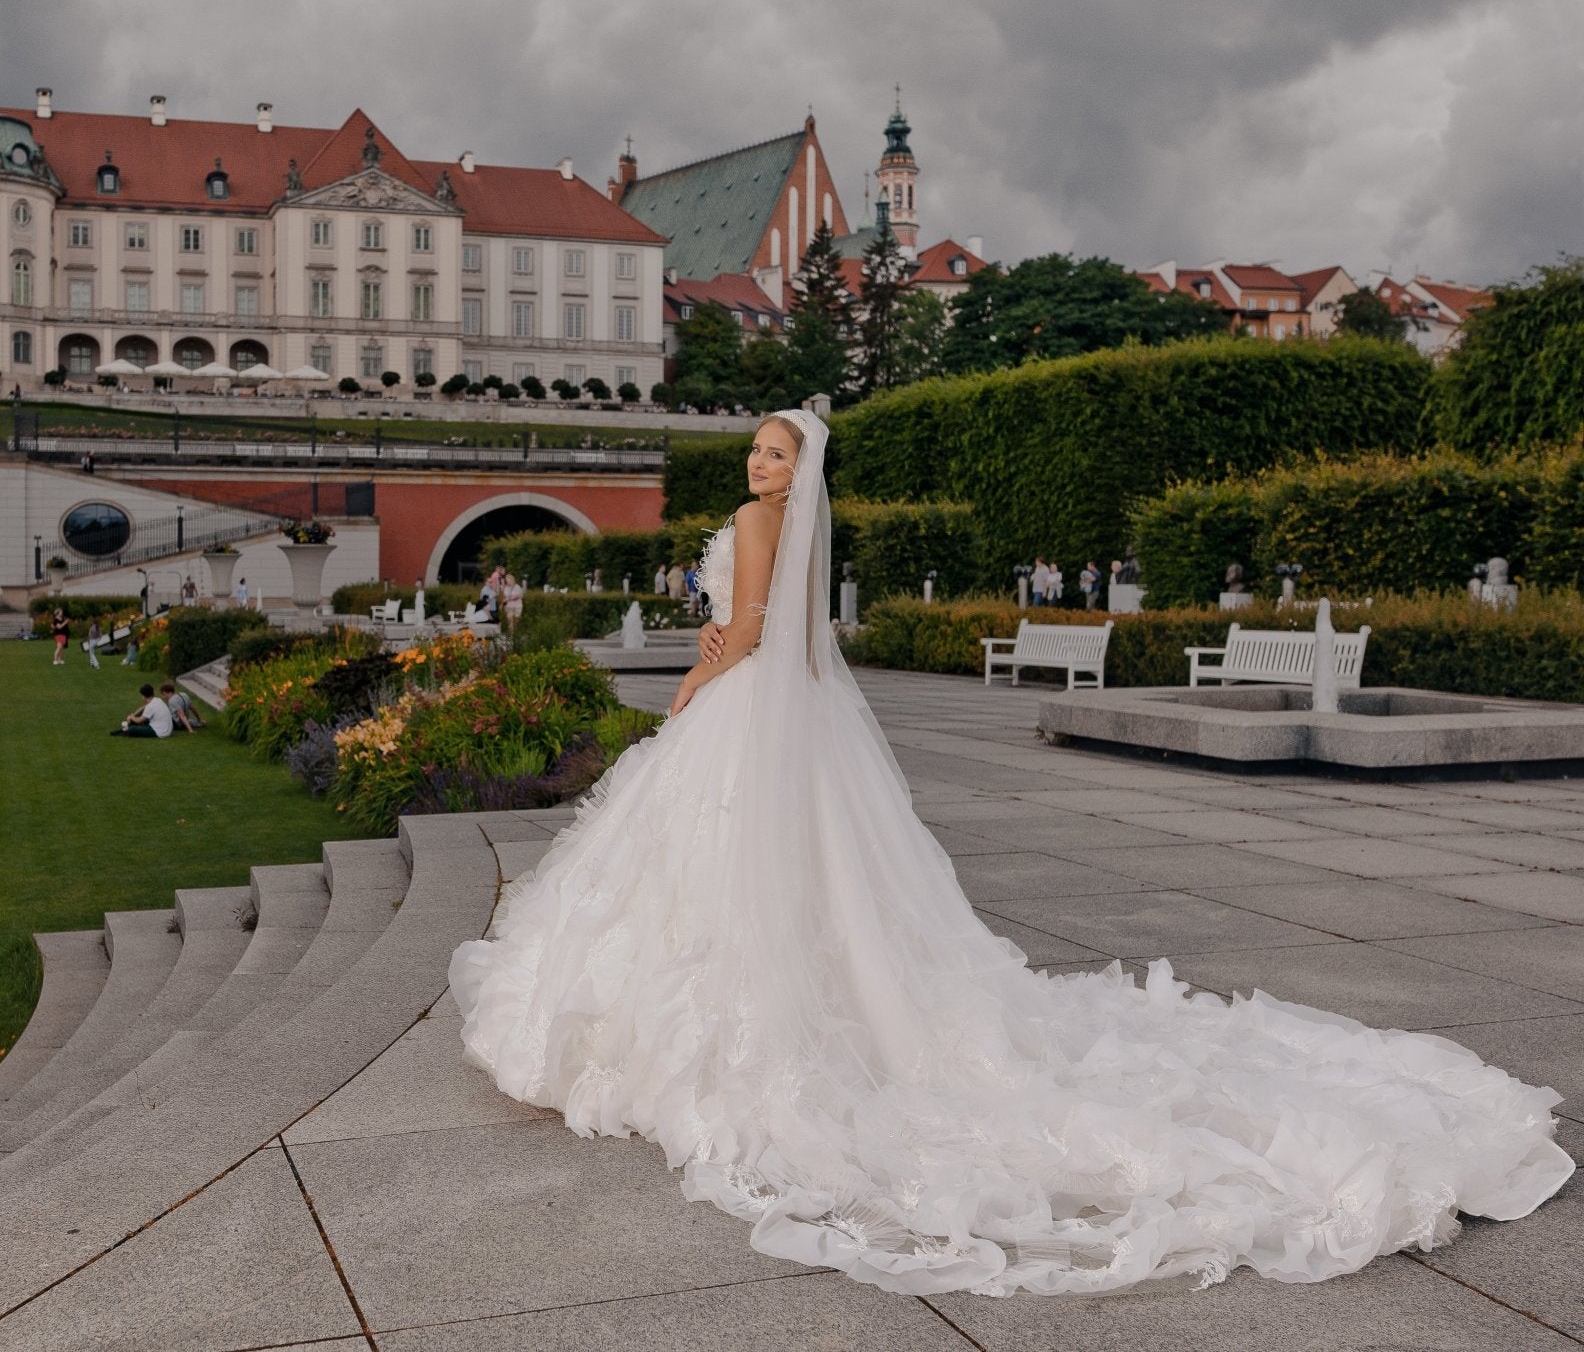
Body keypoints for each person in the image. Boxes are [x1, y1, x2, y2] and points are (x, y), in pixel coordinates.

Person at [449, 409, 1571, 1301]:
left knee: (717, 878)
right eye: (752, 446)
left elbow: (744, 635)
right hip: (790, 720)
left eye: (772, 452)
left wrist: (695, 677)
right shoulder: (793, 529)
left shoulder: (758, 528)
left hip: (743, 716)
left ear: (800, 471)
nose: (754, 463)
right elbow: (787, 634)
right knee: (815, 884)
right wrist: (723, 645)